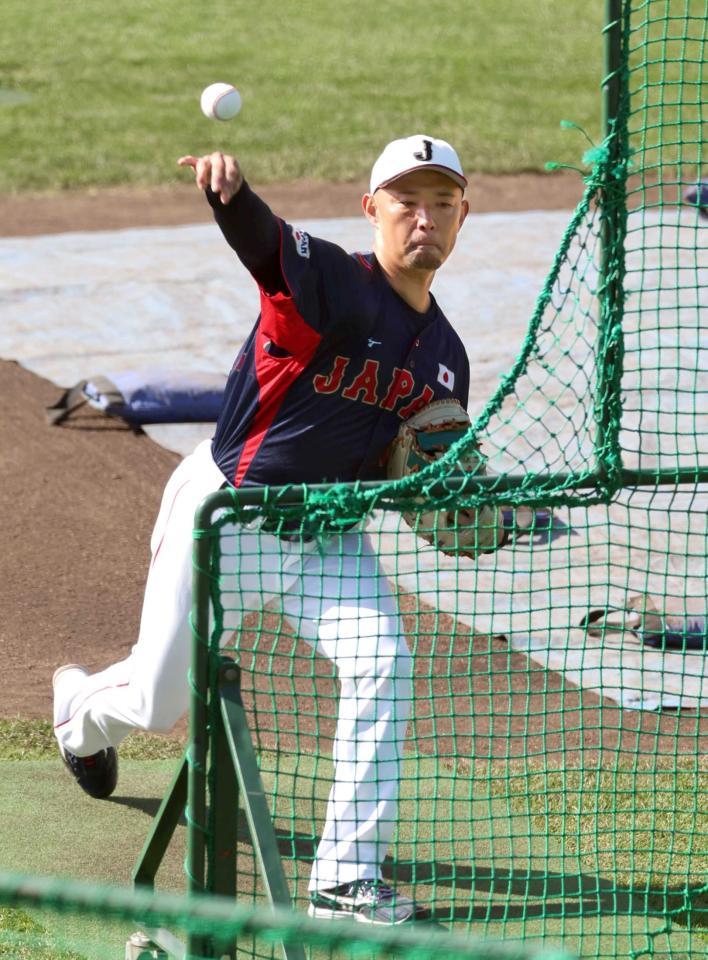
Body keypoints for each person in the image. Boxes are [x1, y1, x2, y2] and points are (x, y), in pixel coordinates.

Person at [53, 134, 471, 925]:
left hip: (327, 540)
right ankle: (76, 710)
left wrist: (463, 503)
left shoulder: (446, 357)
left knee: (384, 662)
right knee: (157, 699)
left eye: (442, 203)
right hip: (228, 517)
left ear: (462, 216)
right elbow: (267, 244)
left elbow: (425, 471)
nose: (425, 219)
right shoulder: (332, 284)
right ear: (372, 209)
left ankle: (344, 879)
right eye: (407, 201)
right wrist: (230, 196)